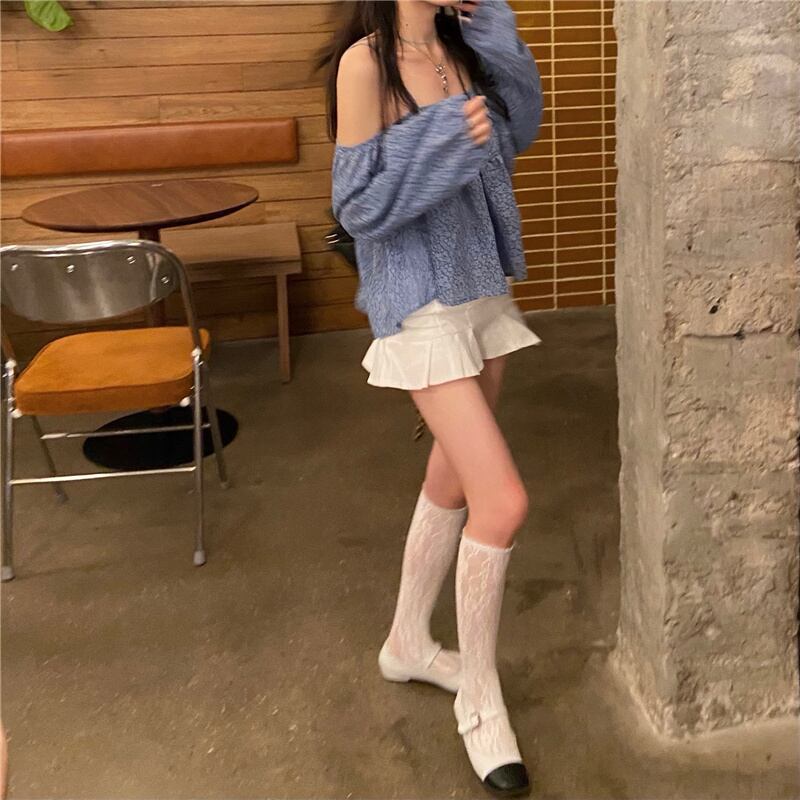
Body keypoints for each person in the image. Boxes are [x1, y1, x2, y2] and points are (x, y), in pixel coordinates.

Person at [317, 1, 544, 795]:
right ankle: (479, 699)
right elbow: (358, 207)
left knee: (451, 478)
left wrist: (497, 36)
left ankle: (408, 643)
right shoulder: (365, 65)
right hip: (419, 301)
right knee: (503, 502)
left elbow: (516, 135)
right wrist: (441, 140)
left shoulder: (460, 46)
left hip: (479, 284)